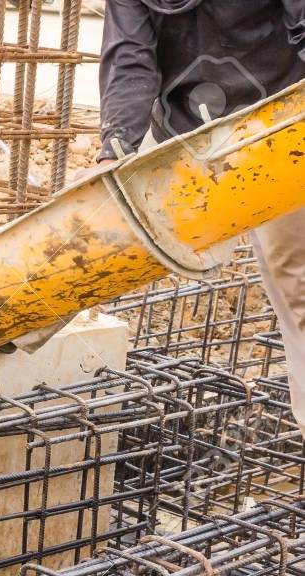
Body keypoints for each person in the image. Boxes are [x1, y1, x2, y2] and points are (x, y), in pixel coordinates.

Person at [98, 0, 305, 431]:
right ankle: (15, 330)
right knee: (98, 230)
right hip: (188, 133)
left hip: (281, 125)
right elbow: (129, 57)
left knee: (298, 285)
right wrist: (115, 152)